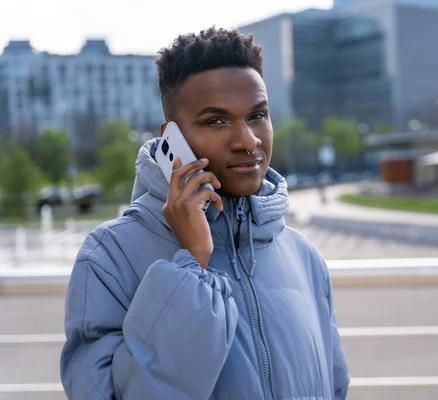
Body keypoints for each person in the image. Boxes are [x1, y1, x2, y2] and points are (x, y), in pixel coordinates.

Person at [60, 27, 350, 399]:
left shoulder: (305, 257)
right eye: (217, 121)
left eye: (257, 115)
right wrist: (191, 267)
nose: (248, 140)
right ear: (172, 139)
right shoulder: (108, 257)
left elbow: (335, 387)